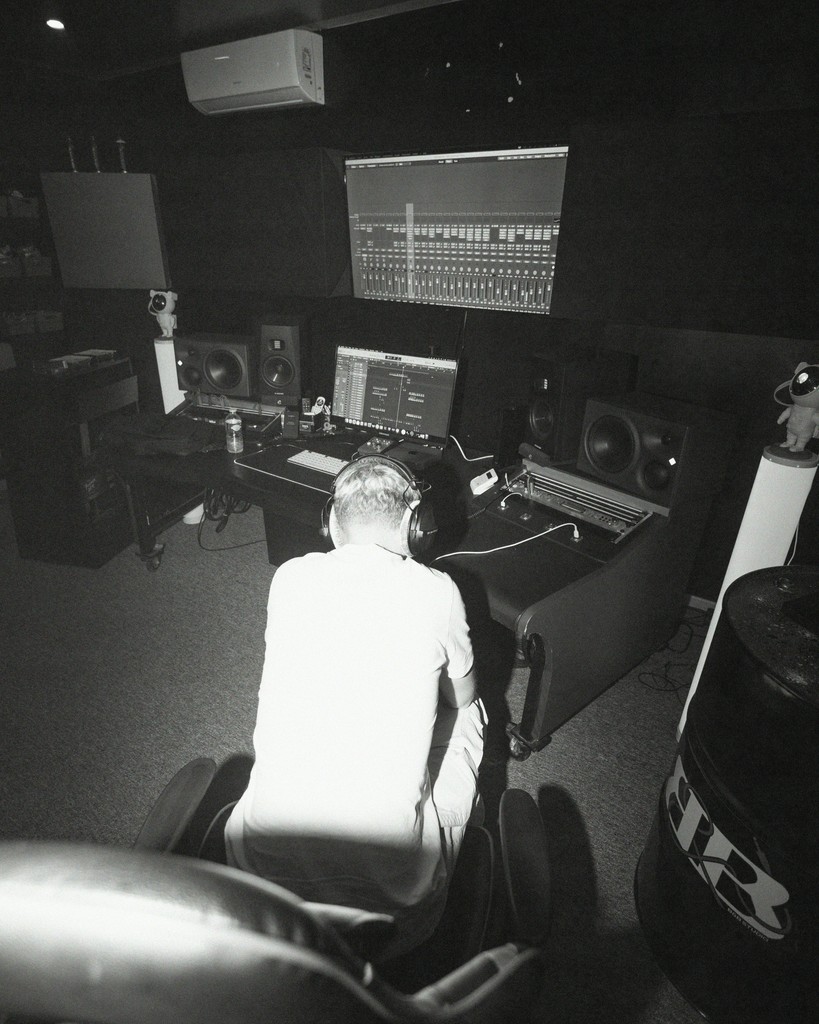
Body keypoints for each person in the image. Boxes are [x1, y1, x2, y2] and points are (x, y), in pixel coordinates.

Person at [224, 455, 486, 958]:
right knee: (472, 712)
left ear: (331, 524)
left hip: (259, 892)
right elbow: (464, 695)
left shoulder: (290, 579)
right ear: (415, 527)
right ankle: (460, 836)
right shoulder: (439, 592)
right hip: (392, 915)